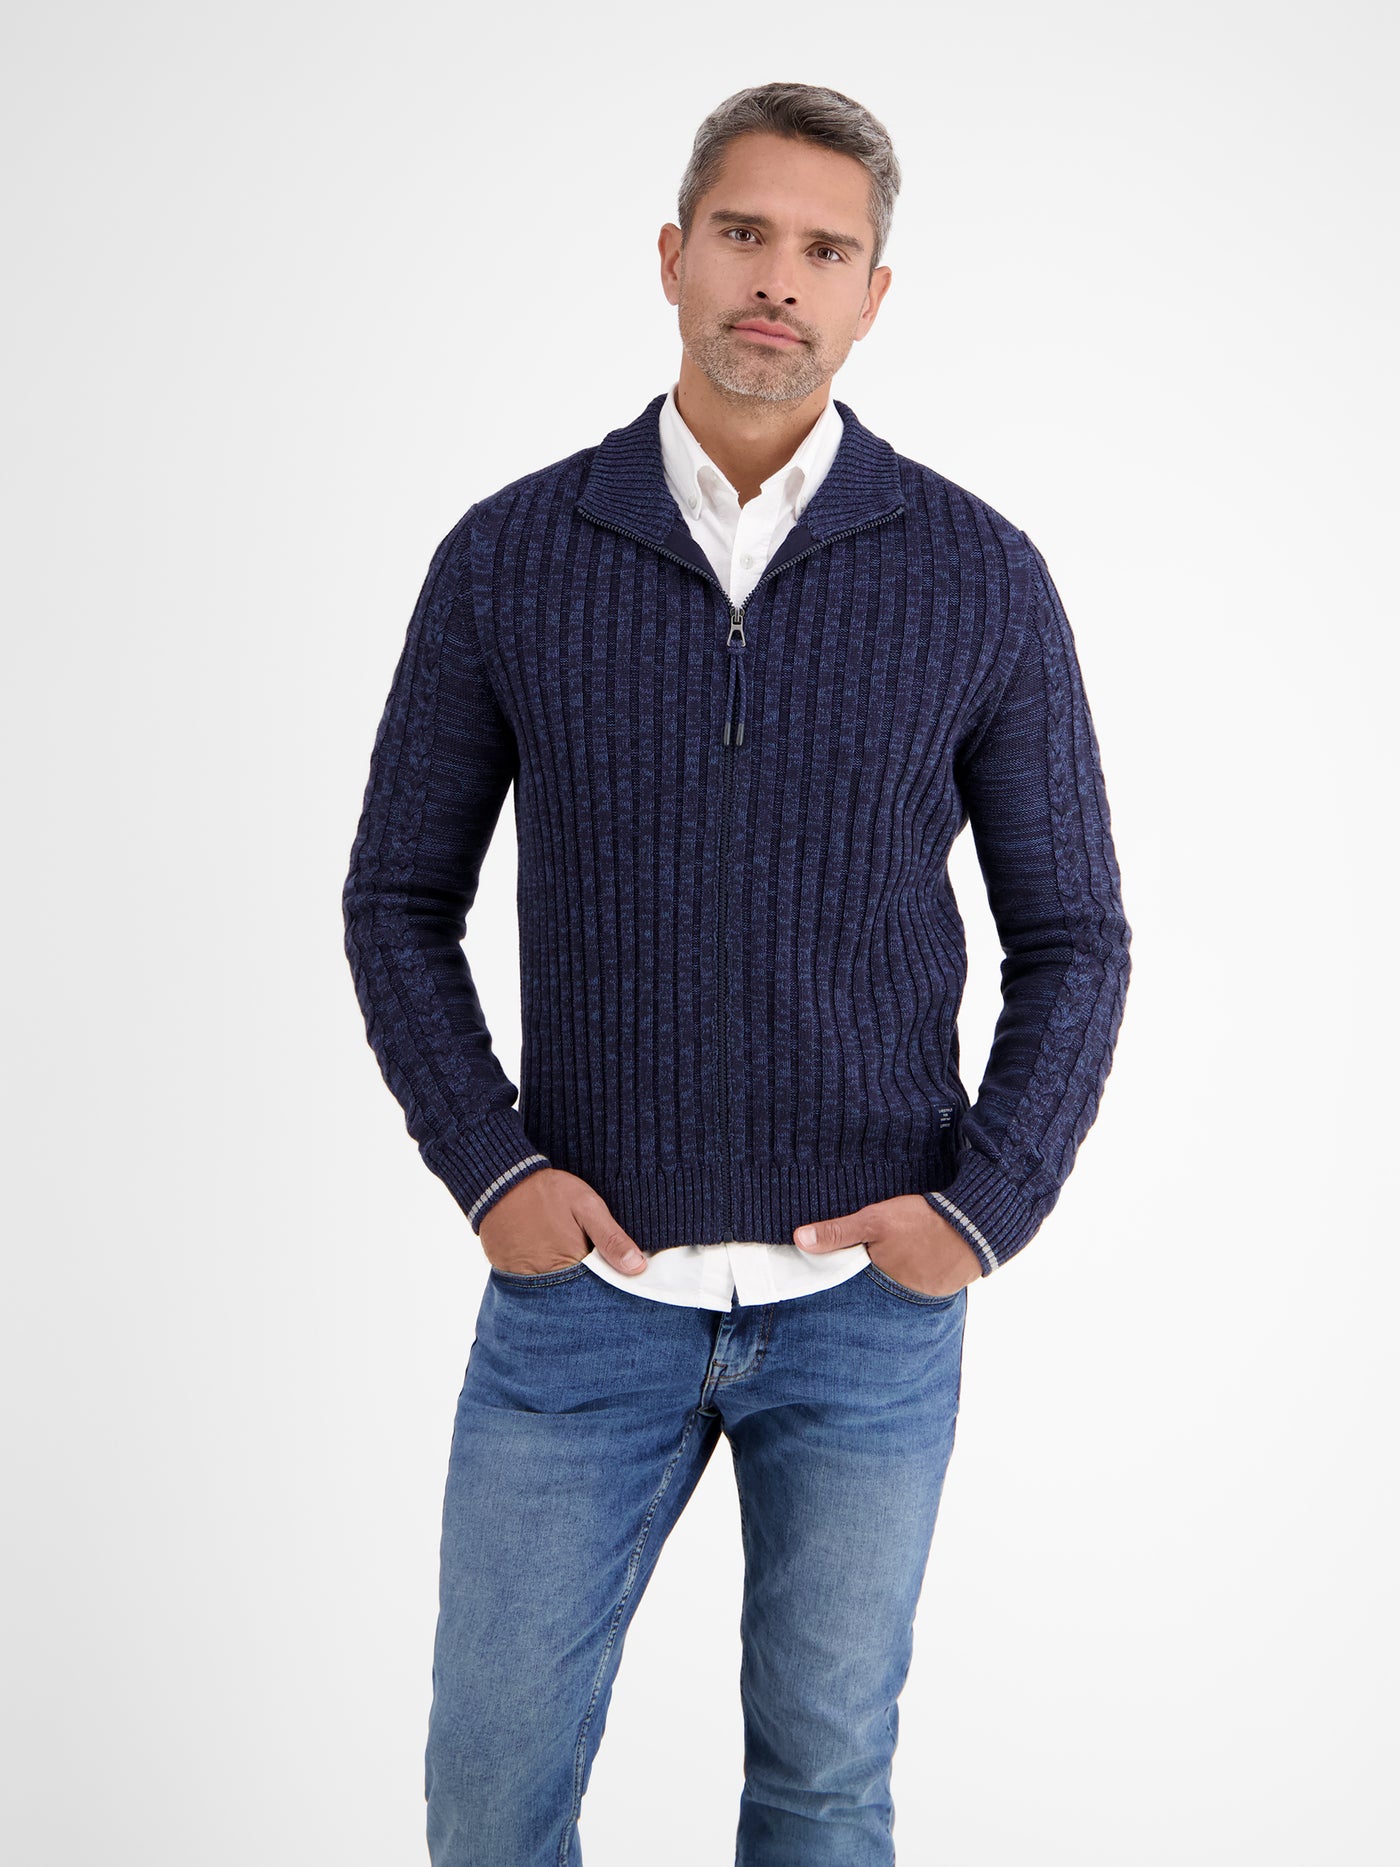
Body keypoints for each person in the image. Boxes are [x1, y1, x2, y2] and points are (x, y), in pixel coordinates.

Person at [342, 78, 1131, 1867]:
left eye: (826, 251)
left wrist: (986, 1207)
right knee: (488, 1797)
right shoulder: (511, 556)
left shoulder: (978, 575)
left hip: (866, 1315)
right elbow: (397, 898)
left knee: (824, 1794)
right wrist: (491, 1168)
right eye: (746, 233)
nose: (780, 278)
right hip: (581, 1303)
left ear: (874, 295)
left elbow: (1075, 935)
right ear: (674, 256)